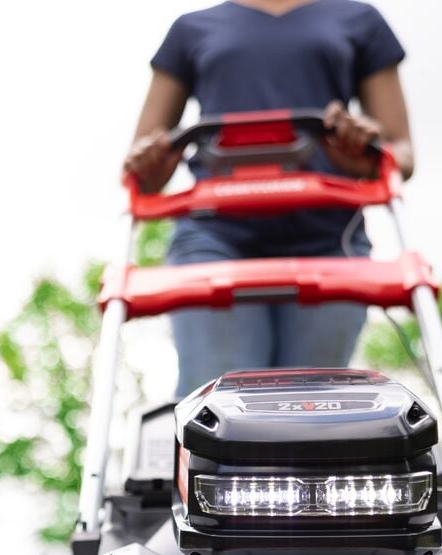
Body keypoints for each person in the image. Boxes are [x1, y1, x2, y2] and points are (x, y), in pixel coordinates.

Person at [124, 0, 415, 397]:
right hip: (215, 238)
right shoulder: (190, 30)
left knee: (309, 406)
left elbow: (401, 153)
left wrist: (364, 145)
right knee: (220, 399)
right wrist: (151, 159)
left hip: (329, 241)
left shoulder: (360, 20)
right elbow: (143, 168)